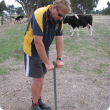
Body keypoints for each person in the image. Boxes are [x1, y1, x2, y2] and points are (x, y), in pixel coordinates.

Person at [23, 0, 71, 110]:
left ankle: (39, 101)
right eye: (60, 15)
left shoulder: (59, 18)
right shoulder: (40, 14)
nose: (60, 18)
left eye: (63, 16)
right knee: (38, 79)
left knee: (42, 76)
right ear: (54, 8)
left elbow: (59, 38)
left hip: (44, 48)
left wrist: (59, 58)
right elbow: (37, 42)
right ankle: (34, 104)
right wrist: (47, 63)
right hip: (32, 49)